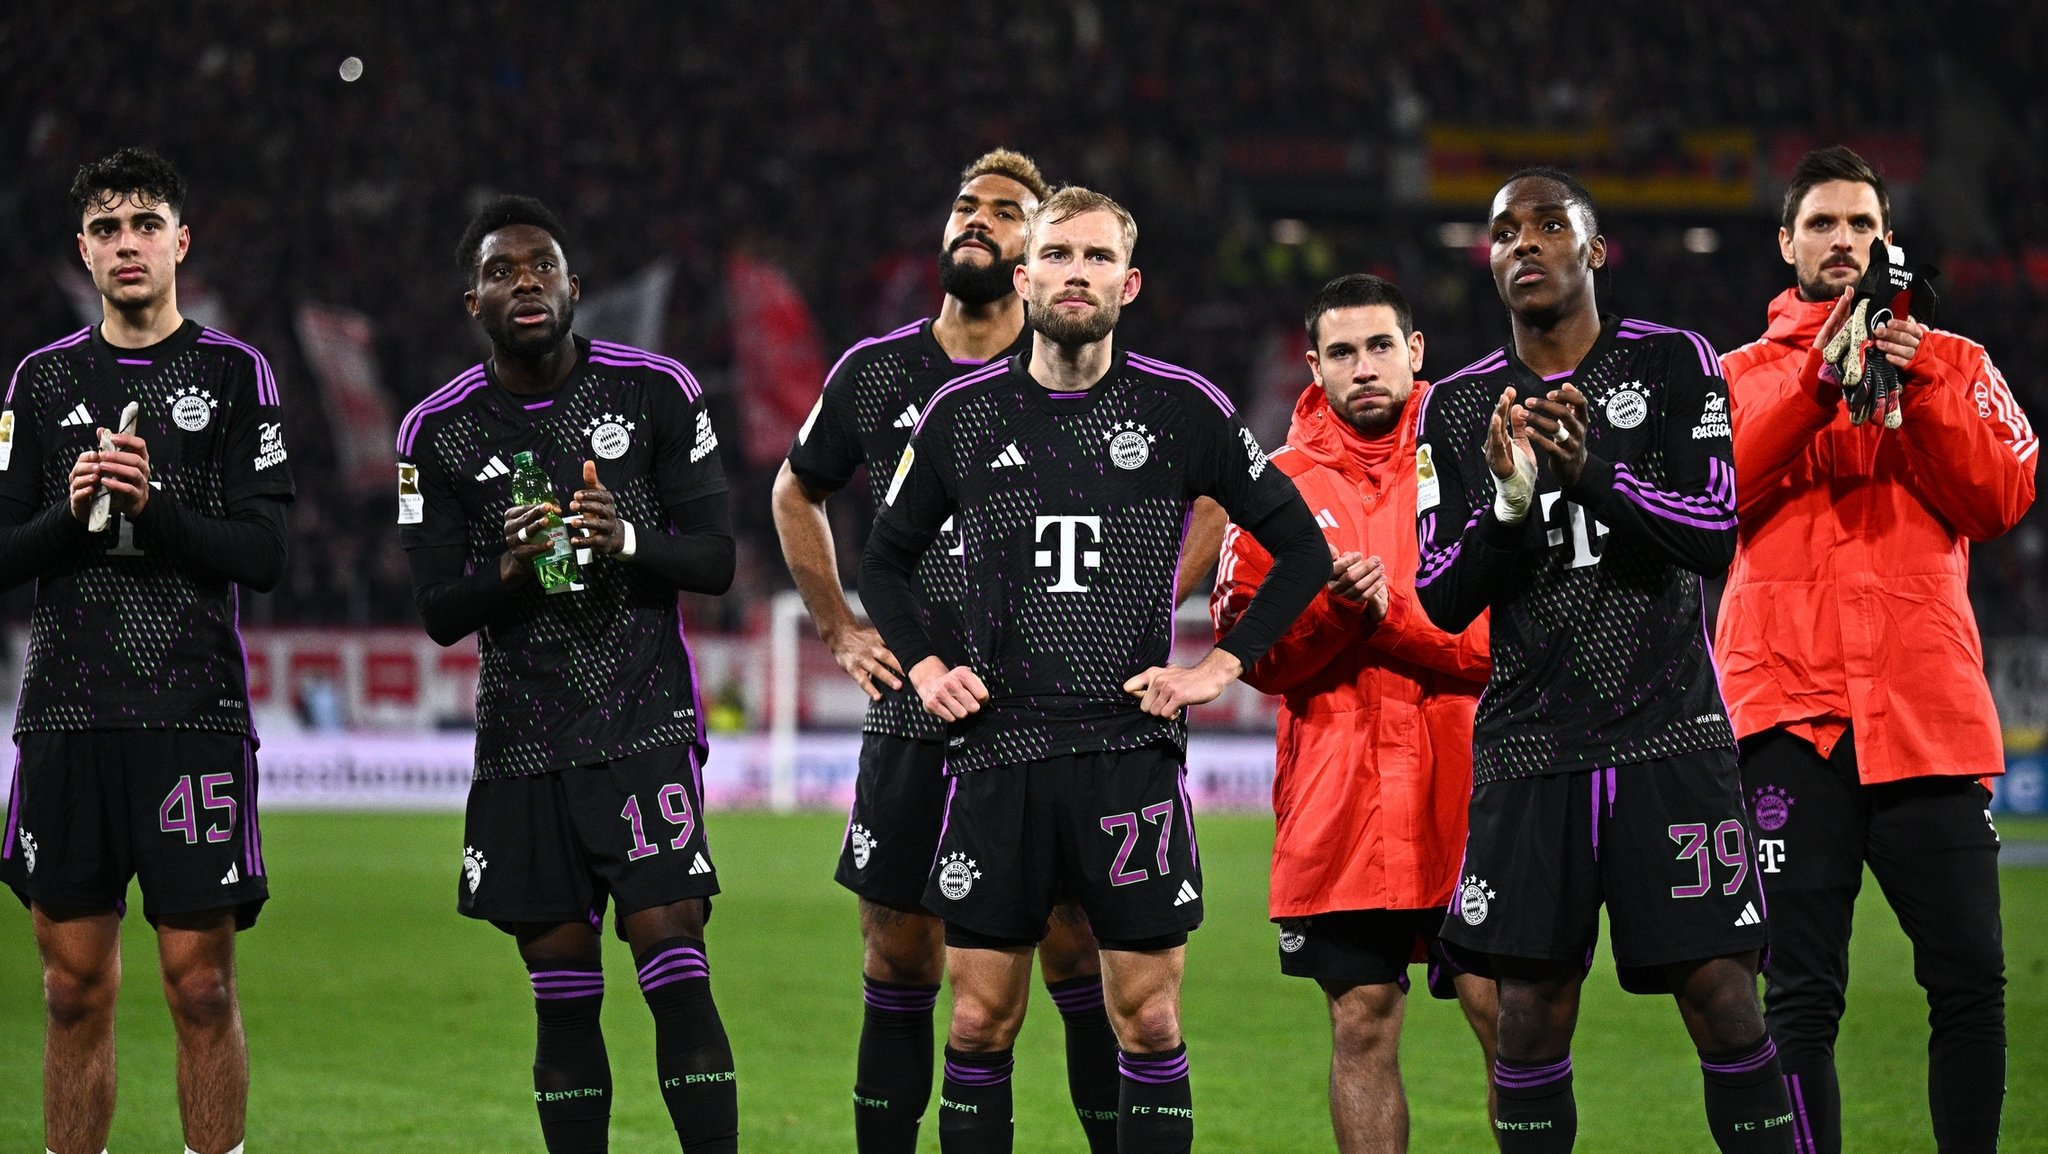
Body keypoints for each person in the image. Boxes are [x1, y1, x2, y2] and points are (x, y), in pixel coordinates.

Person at [859, 186, 1326, 1154]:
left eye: (1098, 257)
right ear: (1024, 278)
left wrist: (1221, 664)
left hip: (1128, 752)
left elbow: (1299, 546)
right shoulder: (960, 412)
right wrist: (927, 664)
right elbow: (882, 558)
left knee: (1148, 1020)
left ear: (1130, 280)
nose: (1078, 272)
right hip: (997, 752)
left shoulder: (1181, 408)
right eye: (1059, 255)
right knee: (979, 1023)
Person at [776, 150, 1223, 1153]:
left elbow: (1209, 489)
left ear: (1036, 252)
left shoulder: (1092, 369)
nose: (978, 220)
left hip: (1050, 711)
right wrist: (841, 627)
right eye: (964, 204)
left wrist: (1146, 597)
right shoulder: (877, 371)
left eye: (1007, 211)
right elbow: (792, 488)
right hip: (914, 701)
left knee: (1074, 951)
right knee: (897, 958)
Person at [1413, 167, 1795, 1153]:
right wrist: (1506, 503)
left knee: (1723, 995)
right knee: (1528, 1009)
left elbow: (1711, 531)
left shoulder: (1671, 363)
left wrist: (1588, 473)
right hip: (1528, 746)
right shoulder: (1455, 411)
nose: (1522, 243)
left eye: (1548, 225)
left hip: (1667, 730)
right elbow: (1442, 593)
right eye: (1503, 231)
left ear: (1594, 250)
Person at [397, 196, 738, 1154]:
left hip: (642, 724)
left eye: (541, 267)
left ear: (574, 289)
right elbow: (437, 613)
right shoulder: (435, 434)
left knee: (675, 959)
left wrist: (624, 536)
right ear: (474, 301)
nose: (525, 284)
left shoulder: (659, 390)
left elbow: (716, 558)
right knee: (563, 1000)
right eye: (502, 273)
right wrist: (505, 571)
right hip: (523, 744)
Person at [1716, 145, 2035, 1154]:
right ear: (1784, 243)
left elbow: (1998, 500)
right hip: (1785, 717)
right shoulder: (1734, 375)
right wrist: (1821, 381)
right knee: (1798, 996)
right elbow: (1712, 495)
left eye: (1860, 224)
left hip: (1924, 716)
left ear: (1886, 240)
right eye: (1820, 224)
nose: (1841, 241)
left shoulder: (1957, 363)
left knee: (1967, 983)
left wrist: (1919, 383)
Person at [0, 146, 292, 1154]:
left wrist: (156, 505)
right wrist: (72, 509)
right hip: (68, 714)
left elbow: (265, 554)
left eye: (145, 223)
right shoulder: (39, 383)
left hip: (190, 716)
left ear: (181, 241)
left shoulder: (235, 373)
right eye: (108, 228)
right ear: (84, 251)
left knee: (201, 985)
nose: (128, 243)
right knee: (72, 989)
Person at [1212, 273, 1497, 1152]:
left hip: (1476, 792)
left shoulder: (1479, 463)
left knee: (1511, 1019)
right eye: (1342, 352)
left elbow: (1508, 643)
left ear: (1416, 352)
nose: (1363, 367)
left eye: (1380, 346)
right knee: (1361, 1025)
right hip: (1343, 802)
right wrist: (1336, 614)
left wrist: (1385, 620)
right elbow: (1250, 655)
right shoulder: (1275, 485)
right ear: (1314, 366)